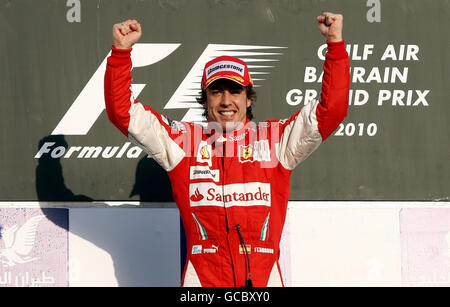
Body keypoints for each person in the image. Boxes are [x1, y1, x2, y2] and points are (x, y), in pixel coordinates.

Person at [104, 12, 350, 287]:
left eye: (234, 91)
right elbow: (123, 113)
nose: (225, 101)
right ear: (205, 99)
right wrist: (121, 54)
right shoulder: (183, 142)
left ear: (248, 97)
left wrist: (335, 46)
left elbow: (330, 112)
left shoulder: (275, 140)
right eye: (216, 91)